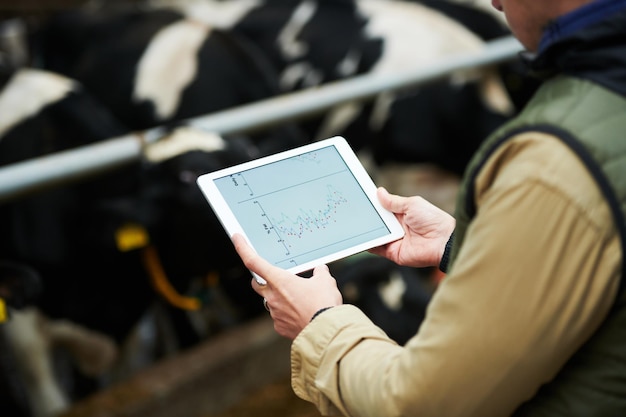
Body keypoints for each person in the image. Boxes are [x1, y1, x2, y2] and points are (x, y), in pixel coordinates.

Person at [232, 0, 626, 415]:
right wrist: (466, 247)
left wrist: (318, 324)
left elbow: (422, 402)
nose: (493, 1)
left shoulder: (552, 166)